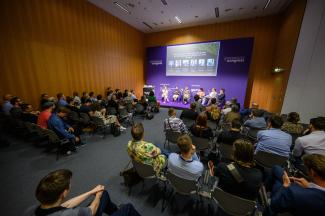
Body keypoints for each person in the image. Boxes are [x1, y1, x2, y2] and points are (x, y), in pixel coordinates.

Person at [23, 169, 141, 216]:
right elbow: (93, 209)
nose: (70, 185)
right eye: (69, 184)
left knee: (104, 194)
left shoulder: (31, 211)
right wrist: (97, 196)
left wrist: (92, 192)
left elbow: (66, 204)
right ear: (63, 193)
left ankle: (116, 212)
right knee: (128, 208)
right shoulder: (70, 214)